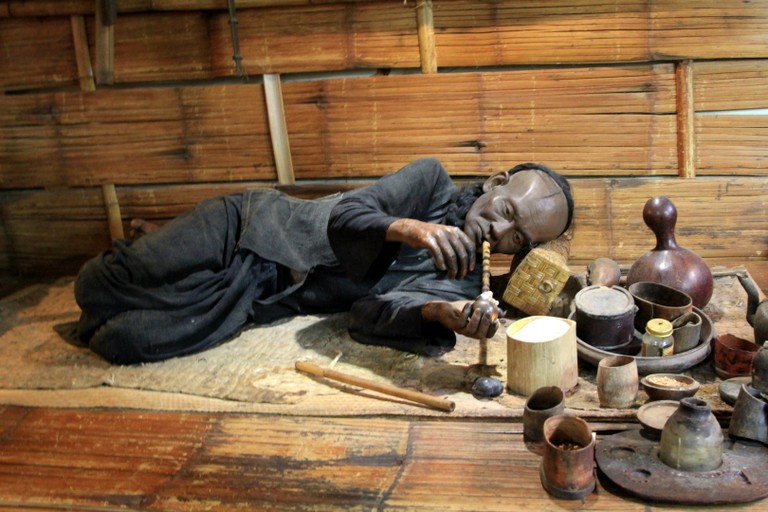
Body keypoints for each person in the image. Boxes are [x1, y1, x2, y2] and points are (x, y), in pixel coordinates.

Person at [74, 158, 573, 365]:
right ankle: (156, 251)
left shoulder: (462, 286)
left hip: (261, 293)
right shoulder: (430, 183)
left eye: (517, 237)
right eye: (507, 211)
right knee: (97, 286)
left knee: (123, 341)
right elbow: (350, 213)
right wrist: (411, 228)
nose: (499, 231)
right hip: (250, 225)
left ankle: (170, 264)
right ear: (495, 183)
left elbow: (367, 314)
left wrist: (439, 313)